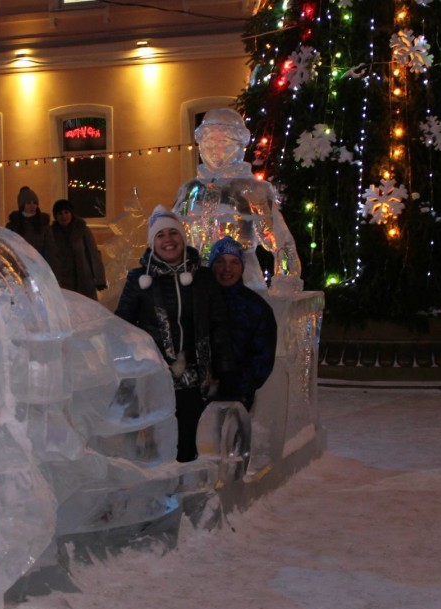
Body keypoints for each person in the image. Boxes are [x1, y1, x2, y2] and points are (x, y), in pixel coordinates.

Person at [115, 205, 234, 462]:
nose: (168, 240)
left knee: (189, 445)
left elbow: (219, 326)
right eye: (160, 235)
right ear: (152, 242)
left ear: (182, 237)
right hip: (156, 378)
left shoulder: (202, 278)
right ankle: (163, 495)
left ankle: (186, 495)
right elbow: (121, 328)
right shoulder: (139, 279)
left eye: (173, 233)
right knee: (158, 445)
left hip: (195, 378)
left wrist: (225, 372)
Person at [172, 107, 302, 294]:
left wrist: (286, 281)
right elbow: (169, 237)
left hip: (243, 284)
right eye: (208, 141)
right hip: (195, 285)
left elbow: (280, 240)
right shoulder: (189, 190)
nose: (214, 150)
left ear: (240, 144)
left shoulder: (254, 190)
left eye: (223, 142)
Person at [208, 236, 277, 411]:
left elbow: (263, 358)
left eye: (234, 262)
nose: (227, 268)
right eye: (221, 261)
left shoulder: (257, 308)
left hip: (236, 399)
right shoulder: (198, 300)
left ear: (242, 267)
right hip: (196, 395)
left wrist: (237, 387)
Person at [50, 199, 107, 300]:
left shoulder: (82, 230)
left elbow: (93, 255)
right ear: (56, 216)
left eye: (66, 212)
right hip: (64, 283)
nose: (64, 216)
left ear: (71, 213)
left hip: (84, 281)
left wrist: (100, 279)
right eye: (60, 213)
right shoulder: (52, 233)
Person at [6, 186, 56, 267]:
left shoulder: (43, 224)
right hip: (20, 267)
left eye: (35, 203)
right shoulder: (13, 225)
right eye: (29, 203)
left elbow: (50, 250)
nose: (32, 206)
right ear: (22, 205)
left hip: (40, 266)